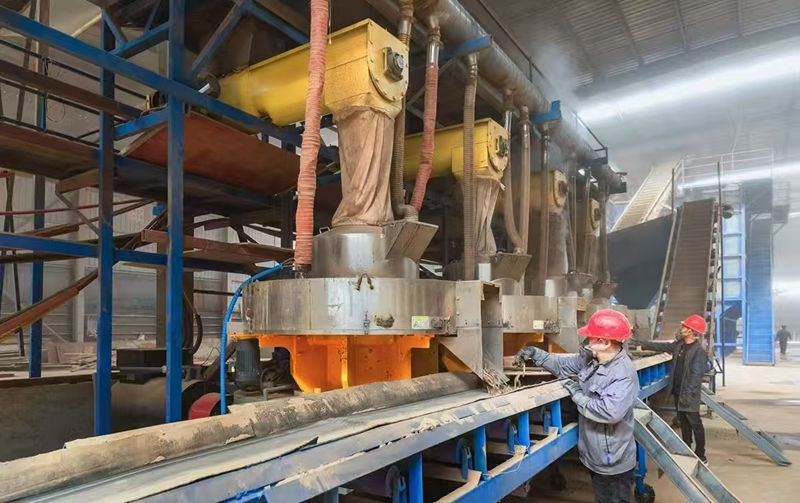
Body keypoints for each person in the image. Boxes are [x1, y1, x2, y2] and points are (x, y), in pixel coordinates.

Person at [515, 309, 640, 503]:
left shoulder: (622, 374)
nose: (587, 341)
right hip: (597, 454)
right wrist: (536, 353)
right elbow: (562, 364)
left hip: (612, 461)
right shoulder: (592, 360)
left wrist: (577, 395)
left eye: (590, 337)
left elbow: (609, 412)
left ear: (605, 342)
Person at [637, 314, 710, 464]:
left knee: (695, 423)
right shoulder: (679, 345)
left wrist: (687, 394)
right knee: (683, 422)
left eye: (685, 326)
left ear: (691, 331)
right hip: (678, 391)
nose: (682, 328)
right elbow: (662, 346)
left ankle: (701, 455)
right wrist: (642, 344)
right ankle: (687, 449)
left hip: (689, 393)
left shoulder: (699, 352)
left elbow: (696, 376)